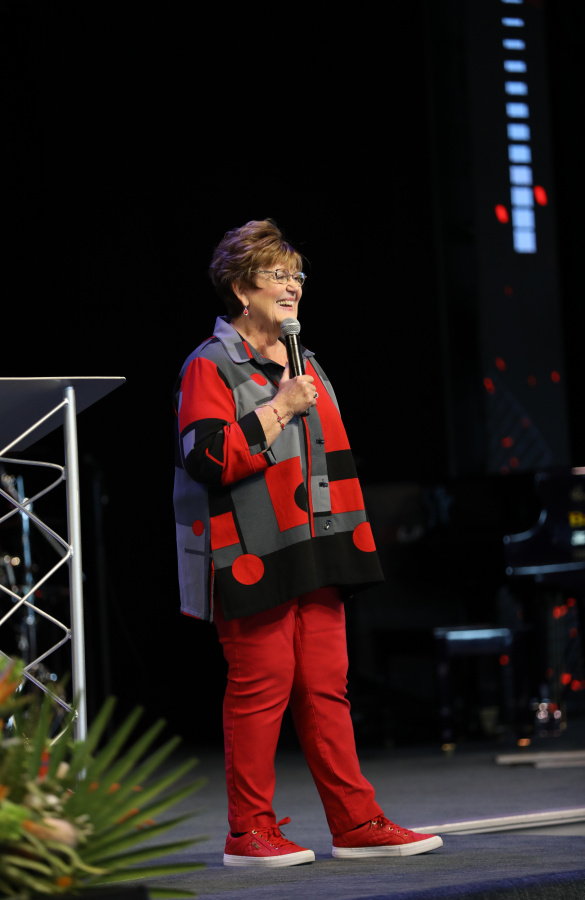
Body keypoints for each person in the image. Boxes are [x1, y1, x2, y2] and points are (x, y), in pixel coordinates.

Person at [173, 218, 442, 867]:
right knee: (261, 685)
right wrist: (279, 407)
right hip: (251, 551)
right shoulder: (210, 364)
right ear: (242, 289)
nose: (292, 285)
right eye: (277, 275)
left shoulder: (305, 360)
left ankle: (357, 822)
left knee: (326, 685)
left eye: (296, 275)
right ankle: (250, 832)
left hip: (317, 544)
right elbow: (205, 458)